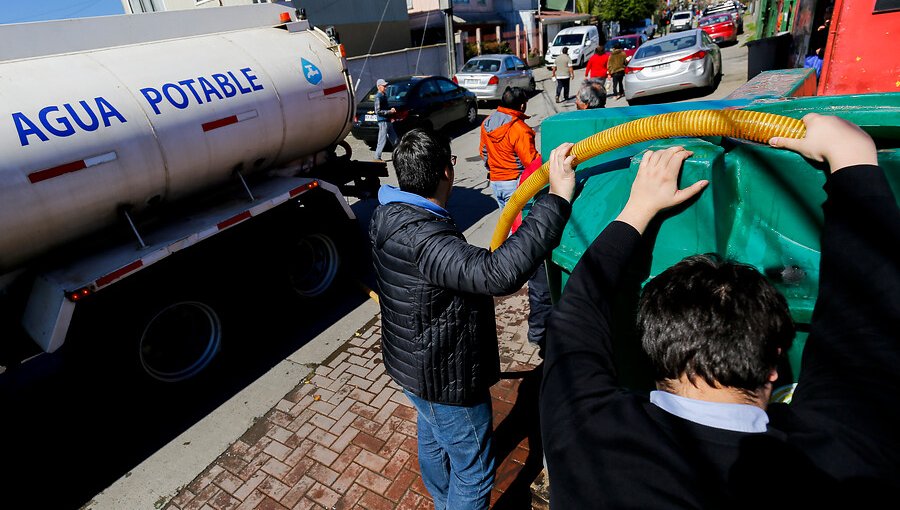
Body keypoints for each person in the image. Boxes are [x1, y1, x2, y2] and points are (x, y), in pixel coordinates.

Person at [540, 114, 900, 508]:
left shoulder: (582, 430)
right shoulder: (835, 465)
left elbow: (575, 311)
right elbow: (863, 333)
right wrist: (855, 160)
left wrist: (637, 207)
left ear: (654, 348)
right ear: (774, 364)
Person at [370, 128, 575, 510]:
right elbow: (498, 273)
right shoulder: (425, 239)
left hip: (411, 367)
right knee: (475, 471)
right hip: (444, 377)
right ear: (448, 171)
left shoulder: (386, 213)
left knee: (432, 436)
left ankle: (441, 500)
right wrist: (558, 198)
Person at [480, 86, 539, 210]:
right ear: (522, 106)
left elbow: (483, 152)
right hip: (514, 183)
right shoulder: (520, 129)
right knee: (519, 226)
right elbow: (531, 162)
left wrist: (495, 169)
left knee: (506, 223)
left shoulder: (487, 122)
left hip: (495, 182)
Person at [373, 78, 399, 161]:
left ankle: (399, 155)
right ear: (378, 87)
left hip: (387, 121)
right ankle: (377, 157)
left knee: (394, 139)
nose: (385, 87)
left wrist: (390, 114)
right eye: (384, 86)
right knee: (382, 140)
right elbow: (378, 111)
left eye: (385, 86)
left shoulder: (383, 95)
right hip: (383, 121)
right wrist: (390, 112)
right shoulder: (378, 96)